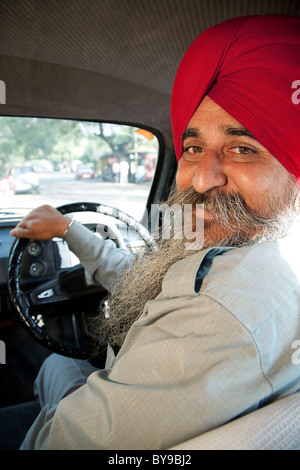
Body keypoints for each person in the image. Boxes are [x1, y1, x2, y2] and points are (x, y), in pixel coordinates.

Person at [9, 15, 300, 449]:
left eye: (242, 149)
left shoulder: (222, 310)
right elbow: (141, 280)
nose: (202, 180)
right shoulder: (250, 249)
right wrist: (70, 230)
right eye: (193, 148)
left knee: (53, 368)